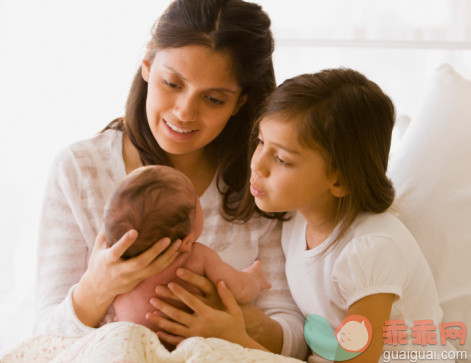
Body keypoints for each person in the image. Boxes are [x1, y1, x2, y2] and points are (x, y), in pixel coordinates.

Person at [34, 0, 307, 358]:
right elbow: (43, 336)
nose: (184, 112)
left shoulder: (261, 182)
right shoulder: (80, 170)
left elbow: (298, 335)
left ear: (240, 101)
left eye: (212, 99)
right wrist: (98, 286)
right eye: (172, 83)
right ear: (147, 65)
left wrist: (236, 321)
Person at [239, 69, 455, 362]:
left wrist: (236, 339)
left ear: (340, 181)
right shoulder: (294, 218)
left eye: (282, 159)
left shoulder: (369, 249)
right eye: (261, 141)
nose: (258, 165)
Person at [106, 165, 271, 336]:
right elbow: (241, 290)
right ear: (186, 242)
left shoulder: (119, 265)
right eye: (196, 201)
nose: (199, 198)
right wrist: (256, 278)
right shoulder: (197, 256)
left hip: (129, 342)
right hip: (184, 346)